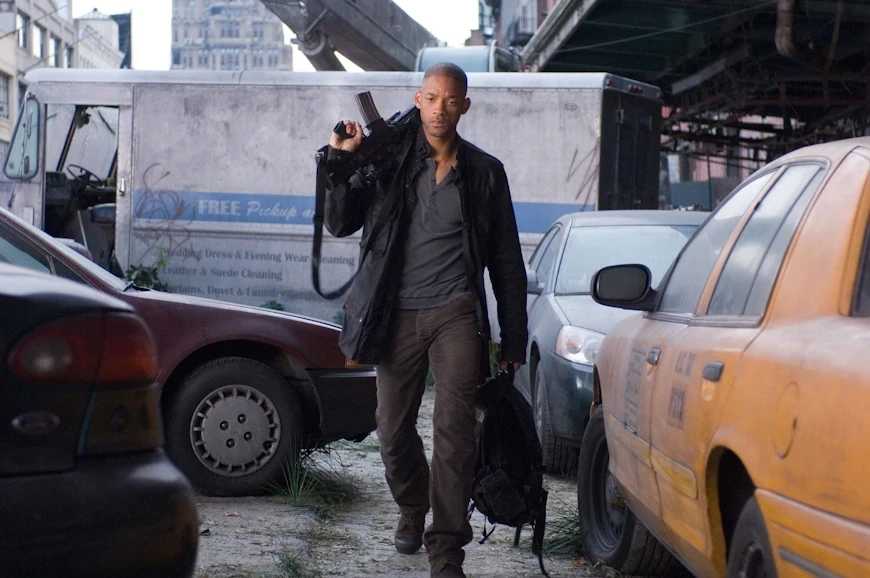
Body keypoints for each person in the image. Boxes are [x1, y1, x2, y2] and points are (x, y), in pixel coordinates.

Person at [323, 62, 528, 578]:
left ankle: (447, 550)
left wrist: (513, 339)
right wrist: (340, 161)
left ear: (464, 106)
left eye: (450, 100)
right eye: (431, 98)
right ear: (419, 100)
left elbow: (507, 261)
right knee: (391, 431)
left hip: (455, 312)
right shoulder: (388, 160)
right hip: (395, 313)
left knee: (454, 432)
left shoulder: (485, 172)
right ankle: (414, 505)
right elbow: (339, 223)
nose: (440, 109)